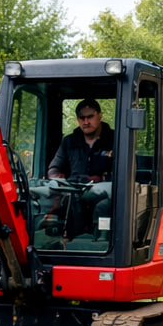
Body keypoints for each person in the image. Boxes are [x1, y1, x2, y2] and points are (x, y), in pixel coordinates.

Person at [42, 98, 113, 239]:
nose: (86, 122)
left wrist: (103, 179)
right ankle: (62, 241)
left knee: (103, 206)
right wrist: (60, 179)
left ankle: (101, 241)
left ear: (100, 115)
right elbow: (54, 169)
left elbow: (126, 173)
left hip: (105, 194)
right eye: (82, 118)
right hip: (74, 193)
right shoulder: (69, 141)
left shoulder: (115, 139)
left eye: (90, 116)